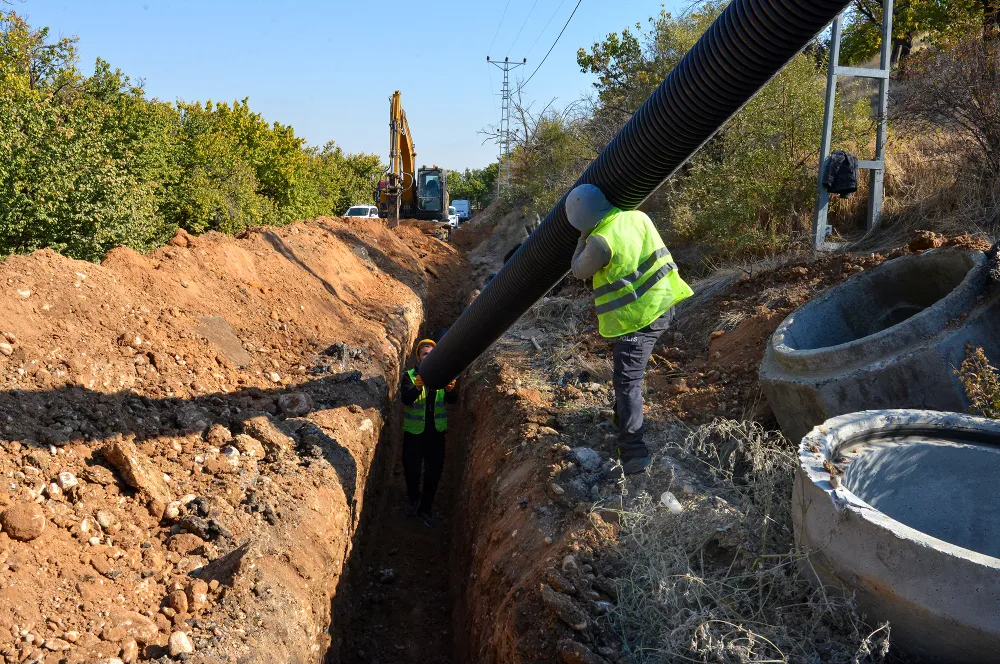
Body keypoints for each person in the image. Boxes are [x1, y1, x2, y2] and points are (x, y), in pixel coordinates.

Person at [567, 184, 693, 475]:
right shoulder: (638, 217)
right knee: (627, 378)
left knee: (627, 383)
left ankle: (634, 452)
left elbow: (578, 271)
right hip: (665, 303)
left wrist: (583, 237)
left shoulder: (599, 242)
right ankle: (621, 416)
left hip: (638, 319)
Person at [400, 339, 458, 527]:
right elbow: (406, 398)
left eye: (432, 354)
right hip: (414, 434)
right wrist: (417, 387)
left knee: (433, 473)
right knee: (412, 471)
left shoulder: (442, 376)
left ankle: (425, 508)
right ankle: (413, 499)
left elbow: (453, 400)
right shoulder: (410, 376)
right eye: (425, 354)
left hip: (436, 435)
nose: (429, 357)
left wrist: (450, 390)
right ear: (418, 357)